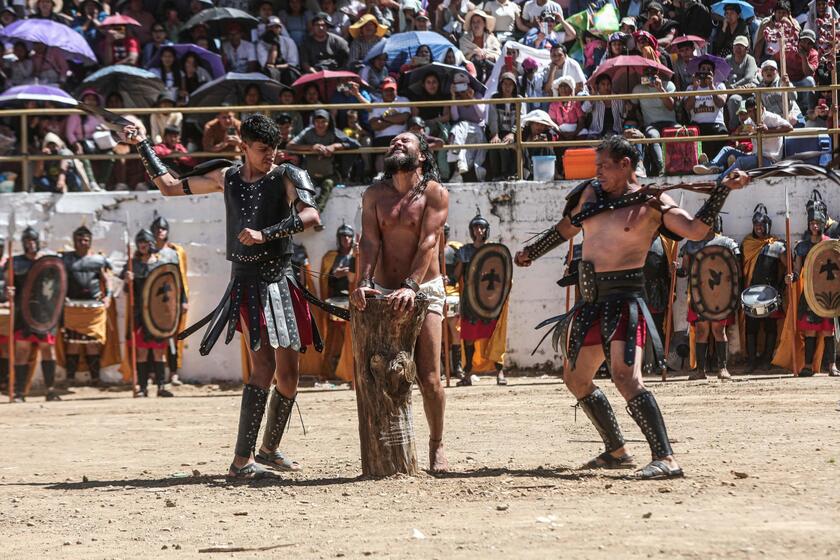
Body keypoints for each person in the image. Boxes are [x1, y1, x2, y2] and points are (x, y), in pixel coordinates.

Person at [513, 135, 750, 479]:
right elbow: (565, 229)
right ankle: (617, 450)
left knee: (626, 377)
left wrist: (722, 190)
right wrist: (531, 253)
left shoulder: (654, 203)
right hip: (590, 301)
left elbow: (696, 231)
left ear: (626, 165)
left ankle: (666, 458)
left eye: (604, 166)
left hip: (624, 300)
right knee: (576, 378)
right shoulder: (591, 195)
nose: (598, 172)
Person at [122, 113, 324, 479]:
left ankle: (269, 450)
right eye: (264, 149)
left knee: (290, 375)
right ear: (243, 146)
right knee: (263, 368)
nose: (272, 155)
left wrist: (267, 233)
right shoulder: (225, 177)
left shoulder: (287, 175)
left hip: (281, 278)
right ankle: (241, 461)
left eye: (275, 147)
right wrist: (142, 145)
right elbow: (169, 187)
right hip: (247, 282)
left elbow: (311, 214)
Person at [349, 131, 450, 472]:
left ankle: (437, 445)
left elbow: (430, 242)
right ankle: (387, 450)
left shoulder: (434, 193)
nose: (396, 143)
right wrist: (363, 283)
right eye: (392, 141)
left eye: (405, 141)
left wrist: (411, 286)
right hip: (382, 289)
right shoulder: (374, 195)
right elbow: (369, 243)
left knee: (429, 378)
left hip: (425, 289)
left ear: (422, 156)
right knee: (381, 372)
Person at [677, 217, 740, 380]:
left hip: (720, 295)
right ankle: (700, 371)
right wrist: (676, 270)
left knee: (719, 330)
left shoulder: (726, 243)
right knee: (701, 331)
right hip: (700, 294)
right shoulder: (691, 245)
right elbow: (685, 270)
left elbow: (734, 270)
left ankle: (723, 369)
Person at [121, 229, 179, 397]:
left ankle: (161, 386)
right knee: (142, 352)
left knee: (159, 351)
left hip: (158, 314)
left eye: (145, 243)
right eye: (140, 244)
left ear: (151, 244)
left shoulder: (161, 264)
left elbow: (170, 290)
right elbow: (126, 291)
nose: (143, 246)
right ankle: (142, 387)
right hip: (140, 313)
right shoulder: (133, 264)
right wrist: (128, 280)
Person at [785, 197, 839, 377]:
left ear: (823, 223)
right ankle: (808, 365)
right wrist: (791, 277)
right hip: (809, 293)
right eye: (812, 223)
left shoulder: (831, 244)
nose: (814, 226)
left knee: (828, 331)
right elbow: (797, 272)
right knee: (810, 331)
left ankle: (831, 366)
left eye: (817, 223)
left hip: (827, 293)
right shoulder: (802, 247)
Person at [453, 212, 507, 386]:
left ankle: (500, 372)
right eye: (476, 226)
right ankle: (467, 374)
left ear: (486, 230)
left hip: (490, 301)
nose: (479, 230)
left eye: (482, 226)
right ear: (471, 230)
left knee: (493, 335)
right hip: (470, 300)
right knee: (469, 337)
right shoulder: (464, 251)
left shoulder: (494, 250)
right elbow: (457, 275)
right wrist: (449, 277)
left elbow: (502, 274)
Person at [8, 227, 60, 402]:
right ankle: (20, 392)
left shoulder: (47, 262)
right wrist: (8, 291)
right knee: (22, 350)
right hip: (23, 312)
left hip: (45, 313)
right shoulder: (15, 263)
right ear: (23, 243)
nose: (30, 244)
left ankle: (50, 391)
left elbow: (56, 287)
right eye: (27, 241)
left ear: (38, 242)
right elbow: (4, 284)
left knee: (48, 350)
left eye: (33, 240)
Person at [60, 225, 113, 387]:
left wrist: (108, 296)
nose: (83, 242)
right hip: (72, 306)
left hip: (93, 307)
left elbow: (107, 279)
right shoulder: (65, 259)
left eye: (86, 240)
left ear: (90, 242)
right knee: (73, 344)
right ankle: (70, 378)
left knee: (92, 343)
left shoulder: (99, 260)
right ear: (74, 241)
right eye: (80, 240)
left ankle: (95, 378)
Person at [693, 97, 793, 175]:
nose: (753, 114)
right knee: (727, 149)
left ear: (761, 108)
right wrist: (738, 131)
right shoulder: (749, 121)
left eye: (755, 110)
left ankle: (720, 180)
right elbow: (738, 132)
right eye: (749, 111)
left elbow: (789, 127)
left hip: (769, 160)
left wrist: (768, 130)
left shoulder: (771, 118)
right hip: (755, 157)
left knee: (740, 161)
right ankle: (711, 166)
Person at [286, 109, 360, 212]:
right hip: (309, 175)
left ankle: (316, 212)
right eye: (317, 122)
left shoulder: (334, 133)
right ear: (313, 122)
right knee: (304, 189)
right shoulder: (308, 132)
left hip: (329, 174)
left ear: (328, 122)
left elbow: (355, 144)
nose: (320, 125)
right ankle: (306, 215)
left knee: (327, 185)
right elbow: (290, 146)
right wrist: (311, 147)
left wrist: (335, 146)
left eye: (323, 122)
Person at [741, 205, 786, 372]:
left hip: (770, 292)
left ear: (768, 226)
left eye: (762, 225)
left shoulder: (777, 245)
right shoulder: (747, 243)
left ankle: (767, 359)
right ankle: (751, 360)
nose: (759, 228)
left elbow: (788, 266)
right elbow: (739, 269)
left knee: (770, 327)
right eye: (756, 225)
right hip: (751, 292)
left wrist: (783, 283)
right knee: (751, 327)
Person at [150, 214, 189, 386]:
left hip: (171, 298)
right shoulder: (149, 254)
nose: (160, 231)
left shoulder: (174, 254)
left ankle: (173, 373)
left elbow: (180, 278)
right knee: (152, 336)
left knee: (172, 337)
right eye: (157, 229)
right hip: (153, 299)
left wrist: (183, 300)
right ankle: (152, 373)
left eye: (163, 228)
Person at [321, 224, 355, 378]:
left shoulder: (357, 256)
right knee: (334, 337)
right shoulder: (331, 257)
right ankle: (331, 371)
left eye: (348, 236)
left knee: (350, 337)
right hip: (334, 301)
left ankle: (349, 369)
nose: (346, 239)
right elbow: (325, 279)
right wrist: (335, 274)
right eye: (343, 236)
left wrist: (350, 274)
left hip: (352, 302)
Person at [369, 77, 410, 174]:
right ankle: (381, 176)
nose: (389, 92)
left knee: (401, 152)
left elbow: (404, 118)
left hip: (400, 135)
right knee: (380, 154)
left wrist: (383, 118)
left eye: (392, 90)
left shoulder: (403, 100)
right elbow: (375, 125)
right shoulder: (376, 103)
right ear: (382, 91)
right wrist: (395, 120)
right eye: (387, 90)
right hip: (381, 137)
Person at [442, 223, 464, 378]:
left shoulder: (454, 250)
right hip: (436, 295)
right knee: (439, 333)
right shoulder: (429, 250)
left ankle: (457, 367)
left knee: (454, 330)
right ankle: (443, 368)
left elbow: (458, 271)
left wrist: (451, 279)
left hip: (451, 294)